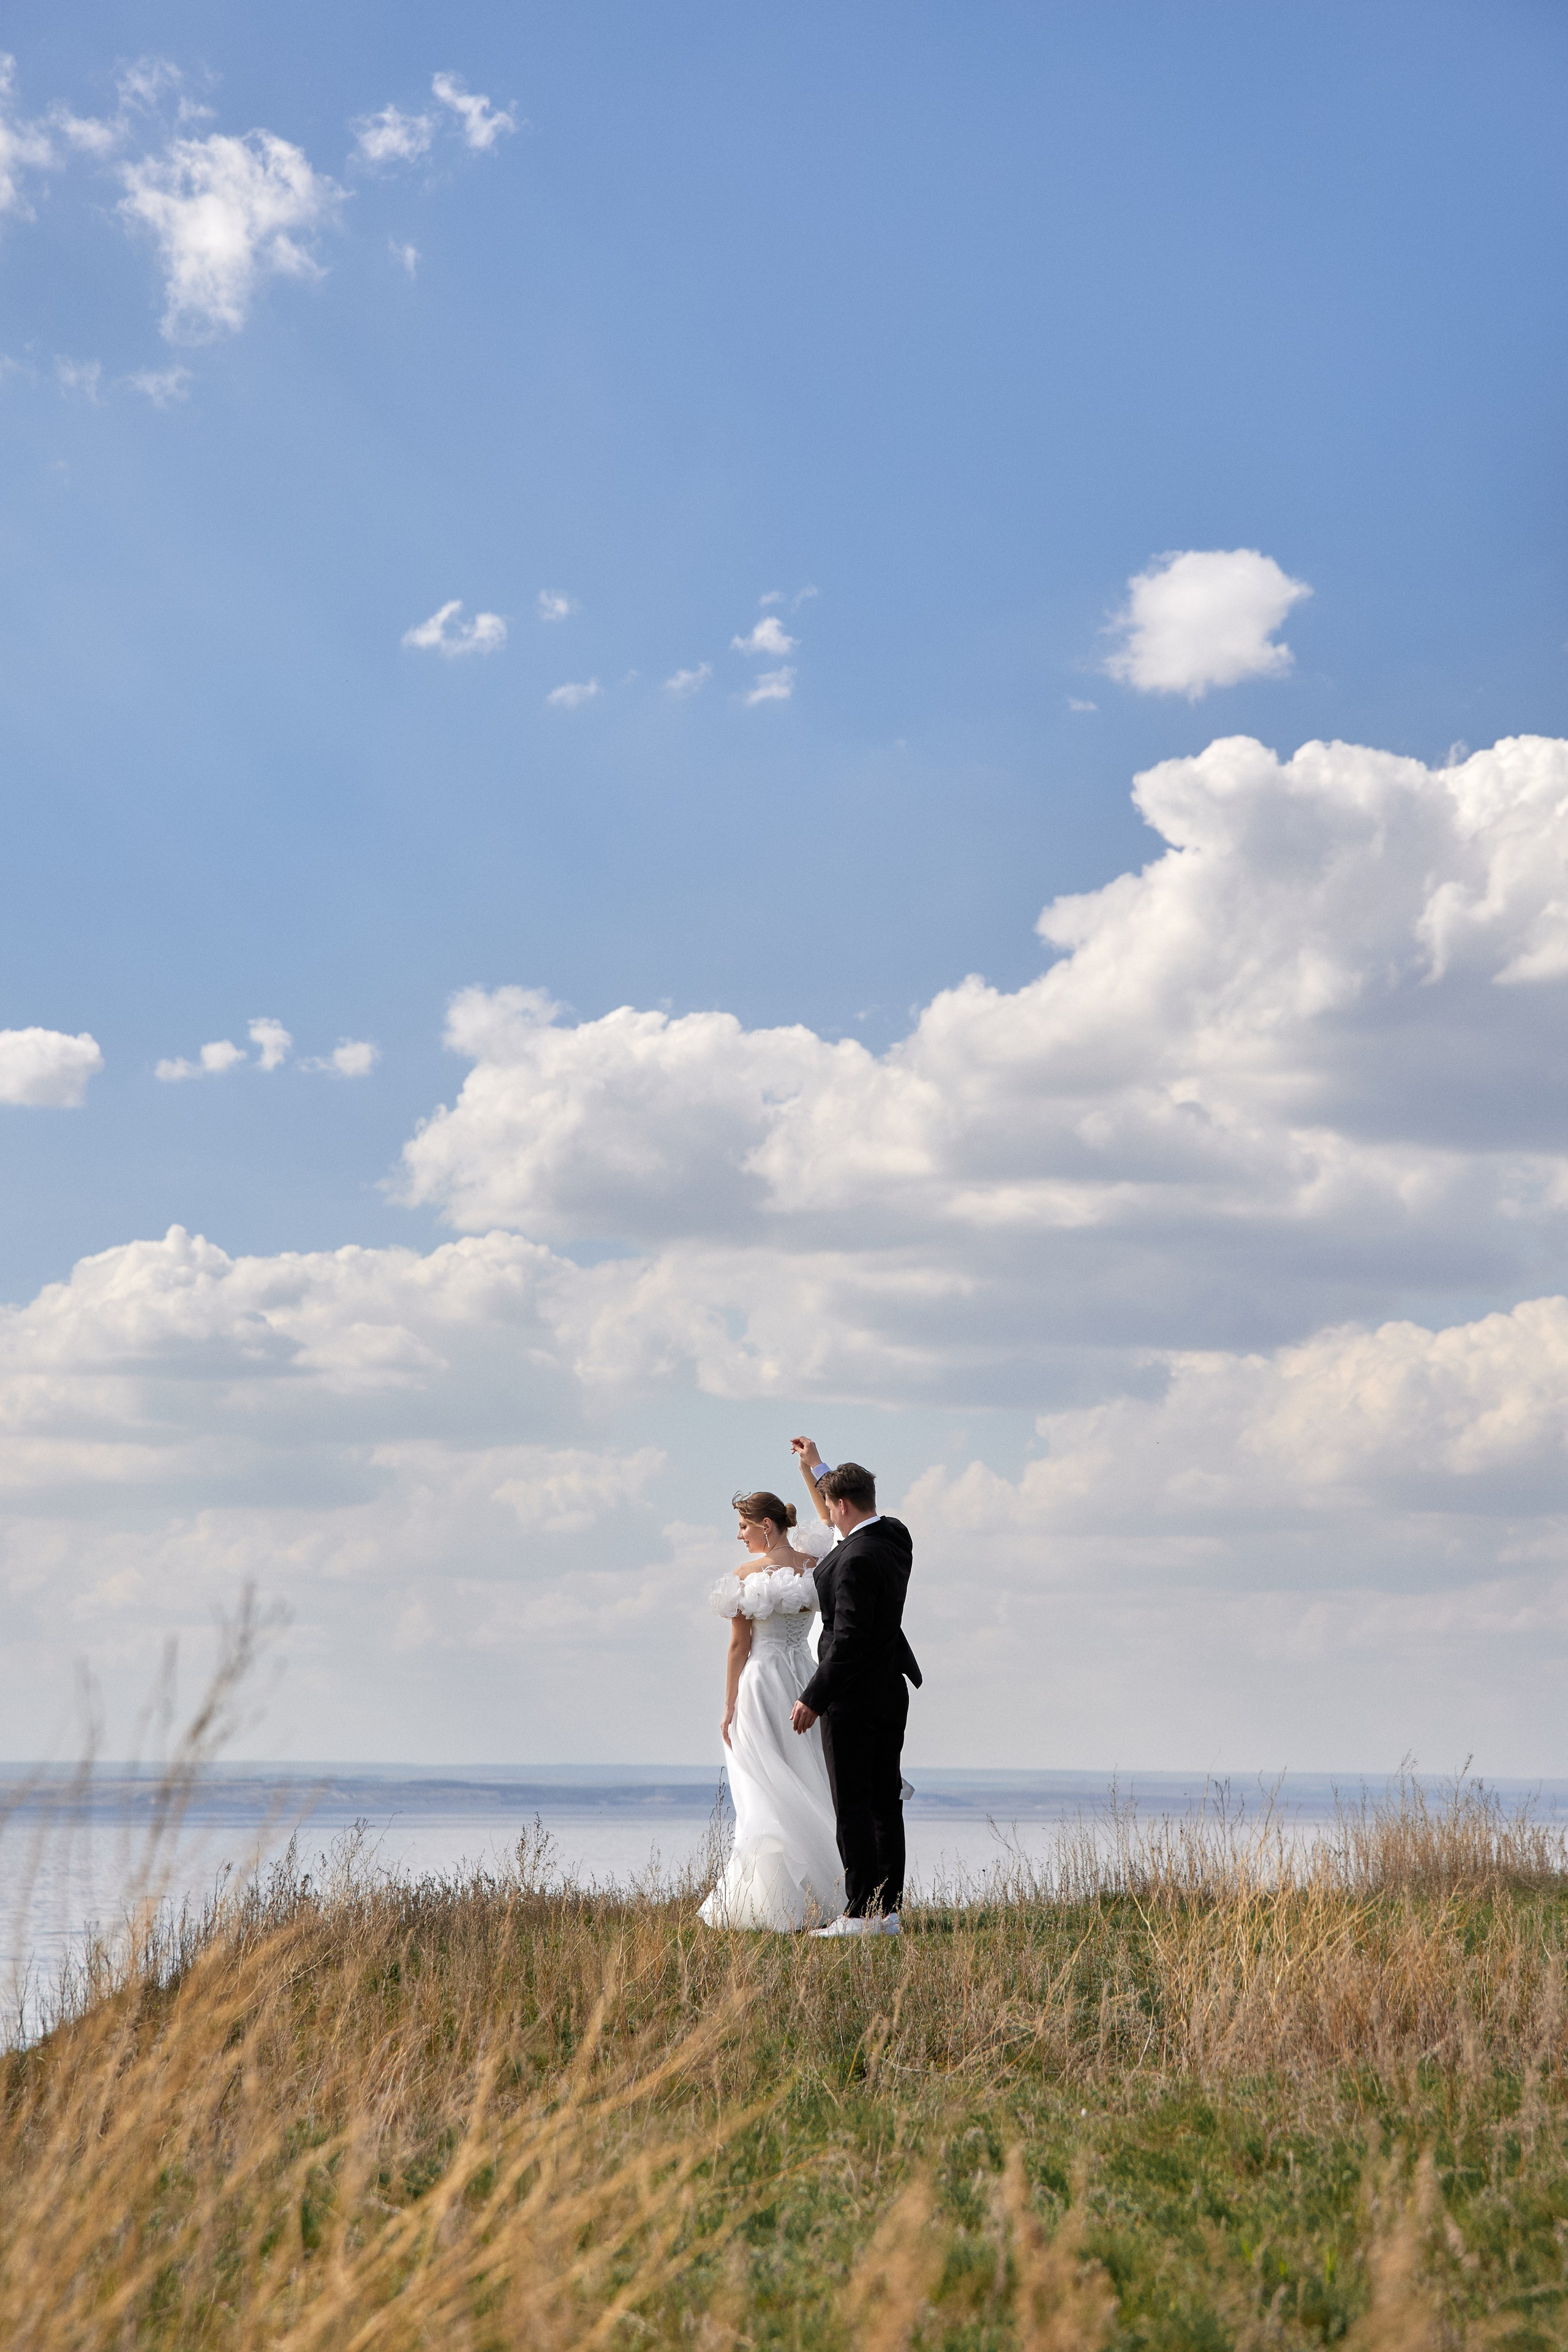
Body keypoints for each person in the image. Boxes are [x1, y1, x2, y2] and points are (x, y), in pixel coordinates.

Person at [788, 1442, 922, 1938]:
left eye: (830, 1508)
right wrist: (818, 1467)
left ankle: (860, 1912)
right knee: (886, 1800)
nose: (827, 1517)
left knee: (854, 1803)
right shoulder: (894, 1536)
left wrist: (813, 1696)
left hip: (853, 1696)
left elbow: (847, 1638)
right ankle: (887, 1913)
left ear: (841, 1506)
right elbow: (844, 1510)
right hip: (891, 1689)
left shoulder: (856, 1559)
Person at [697, 1489, 844, 1931]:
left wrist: (728, 1705)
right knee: (809, 1774)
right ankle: (831, 1893)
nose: (740, 1536)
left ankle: (772, 1903)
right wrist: (810, 1468)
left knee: (762, 1785)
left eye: (743, 1526)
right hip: (805, 1676)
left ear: (765, 1525)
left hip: (762, 1683)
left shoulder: (745, 1574)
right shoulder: (812, 1565)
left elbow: (740, 1645)